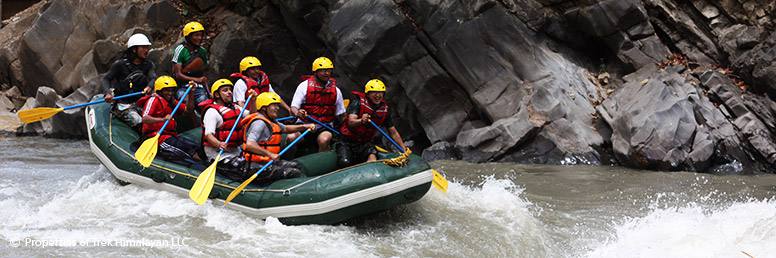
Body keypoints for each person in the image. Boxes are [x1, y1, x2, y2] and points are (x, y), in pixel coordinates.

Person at [239, 92, 315, 182]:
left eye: (277, 105)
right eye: (274, 105)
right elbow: (250, 145)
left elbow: (286, 128)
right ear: (264, 108)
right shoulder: (259, 123)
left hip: (267, 163)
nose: (277, 108)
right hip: (255, 167)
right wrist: (270, 154)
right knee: (294, 173)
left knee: (296, 165)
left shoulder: (271, 121)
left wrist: (304, 126)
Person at [336, 79, 407, 167]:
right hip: (347, 141)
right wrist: (361, 120)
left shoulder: (384, 110)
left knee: (372, 159)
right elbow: (351, 122)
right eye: (374, 93)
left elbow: (393, 132)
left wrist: (403, 149)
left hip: (365, 143)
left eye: (380, 93)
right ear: (368, 94)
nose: (378, 95)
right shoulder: (357, 103)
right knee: (345, 162)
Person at [137, 76, 201, 162]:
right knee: (188, 152)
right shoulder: (153, 100)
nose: (170, 93)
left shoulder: (172, 101)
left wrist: (191, 93)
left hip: (170, 135)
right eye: (166, 90)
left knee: (194, 146)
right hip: (156, 137)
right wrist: (163, 119)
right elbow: (145, 118)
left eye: (171, 90)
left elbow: (188, 110)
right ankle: (200, 165)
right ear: (159, 91)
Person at [290, 57, 346, 152]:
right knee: (291, 137)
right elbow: (294, 107)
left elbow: (341, 114)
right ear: (315, 72)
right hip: (304, 124)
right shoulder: (304, 86)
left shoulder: (336, 90)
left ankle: (322, 158)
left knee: (324, 140)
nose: (326, 73)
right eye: (323, 70)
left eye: (329, 70)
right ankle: (290, 158)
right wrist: (298, 113)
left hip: (324, 126)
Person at [101, 33, 156, 130]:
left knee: (155, 120)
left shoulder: (148, 65)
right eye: (143, 48)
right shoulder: (120, 65)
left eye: (147, 47)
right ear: (134, 49)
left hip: (140, 103)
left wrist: (149, 86)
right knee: (139, 122)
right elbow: (106, 79)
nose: (146, 50)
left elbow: (153, 78)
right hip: (123, 104)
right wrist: (107, 93)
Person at [199, 79, 250, 165]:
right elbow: (208, 135)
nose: (229, 92)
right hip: (217, 152)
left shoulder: (235, 107)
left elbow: (252, 115)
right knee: (239, 166)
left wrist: (253, 100)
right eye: (225, 90)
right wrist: (219, 144)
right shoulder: (212, 112)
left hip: (234, 149)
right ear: (217, 94)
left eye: (230, 90)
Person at [171, 21, 209, 104]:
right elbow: (177, 74)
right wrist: (197, 80)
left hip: (199, 87)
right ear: (188, 37)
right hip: (182, 87)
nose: (199, 38)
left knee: (204, 102)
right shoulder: (181, 49)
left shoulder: (202, 51)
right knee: (186, 101)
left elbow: (204, 74)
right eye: (196, 35)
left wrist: (208, 92)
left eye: (201, 35)